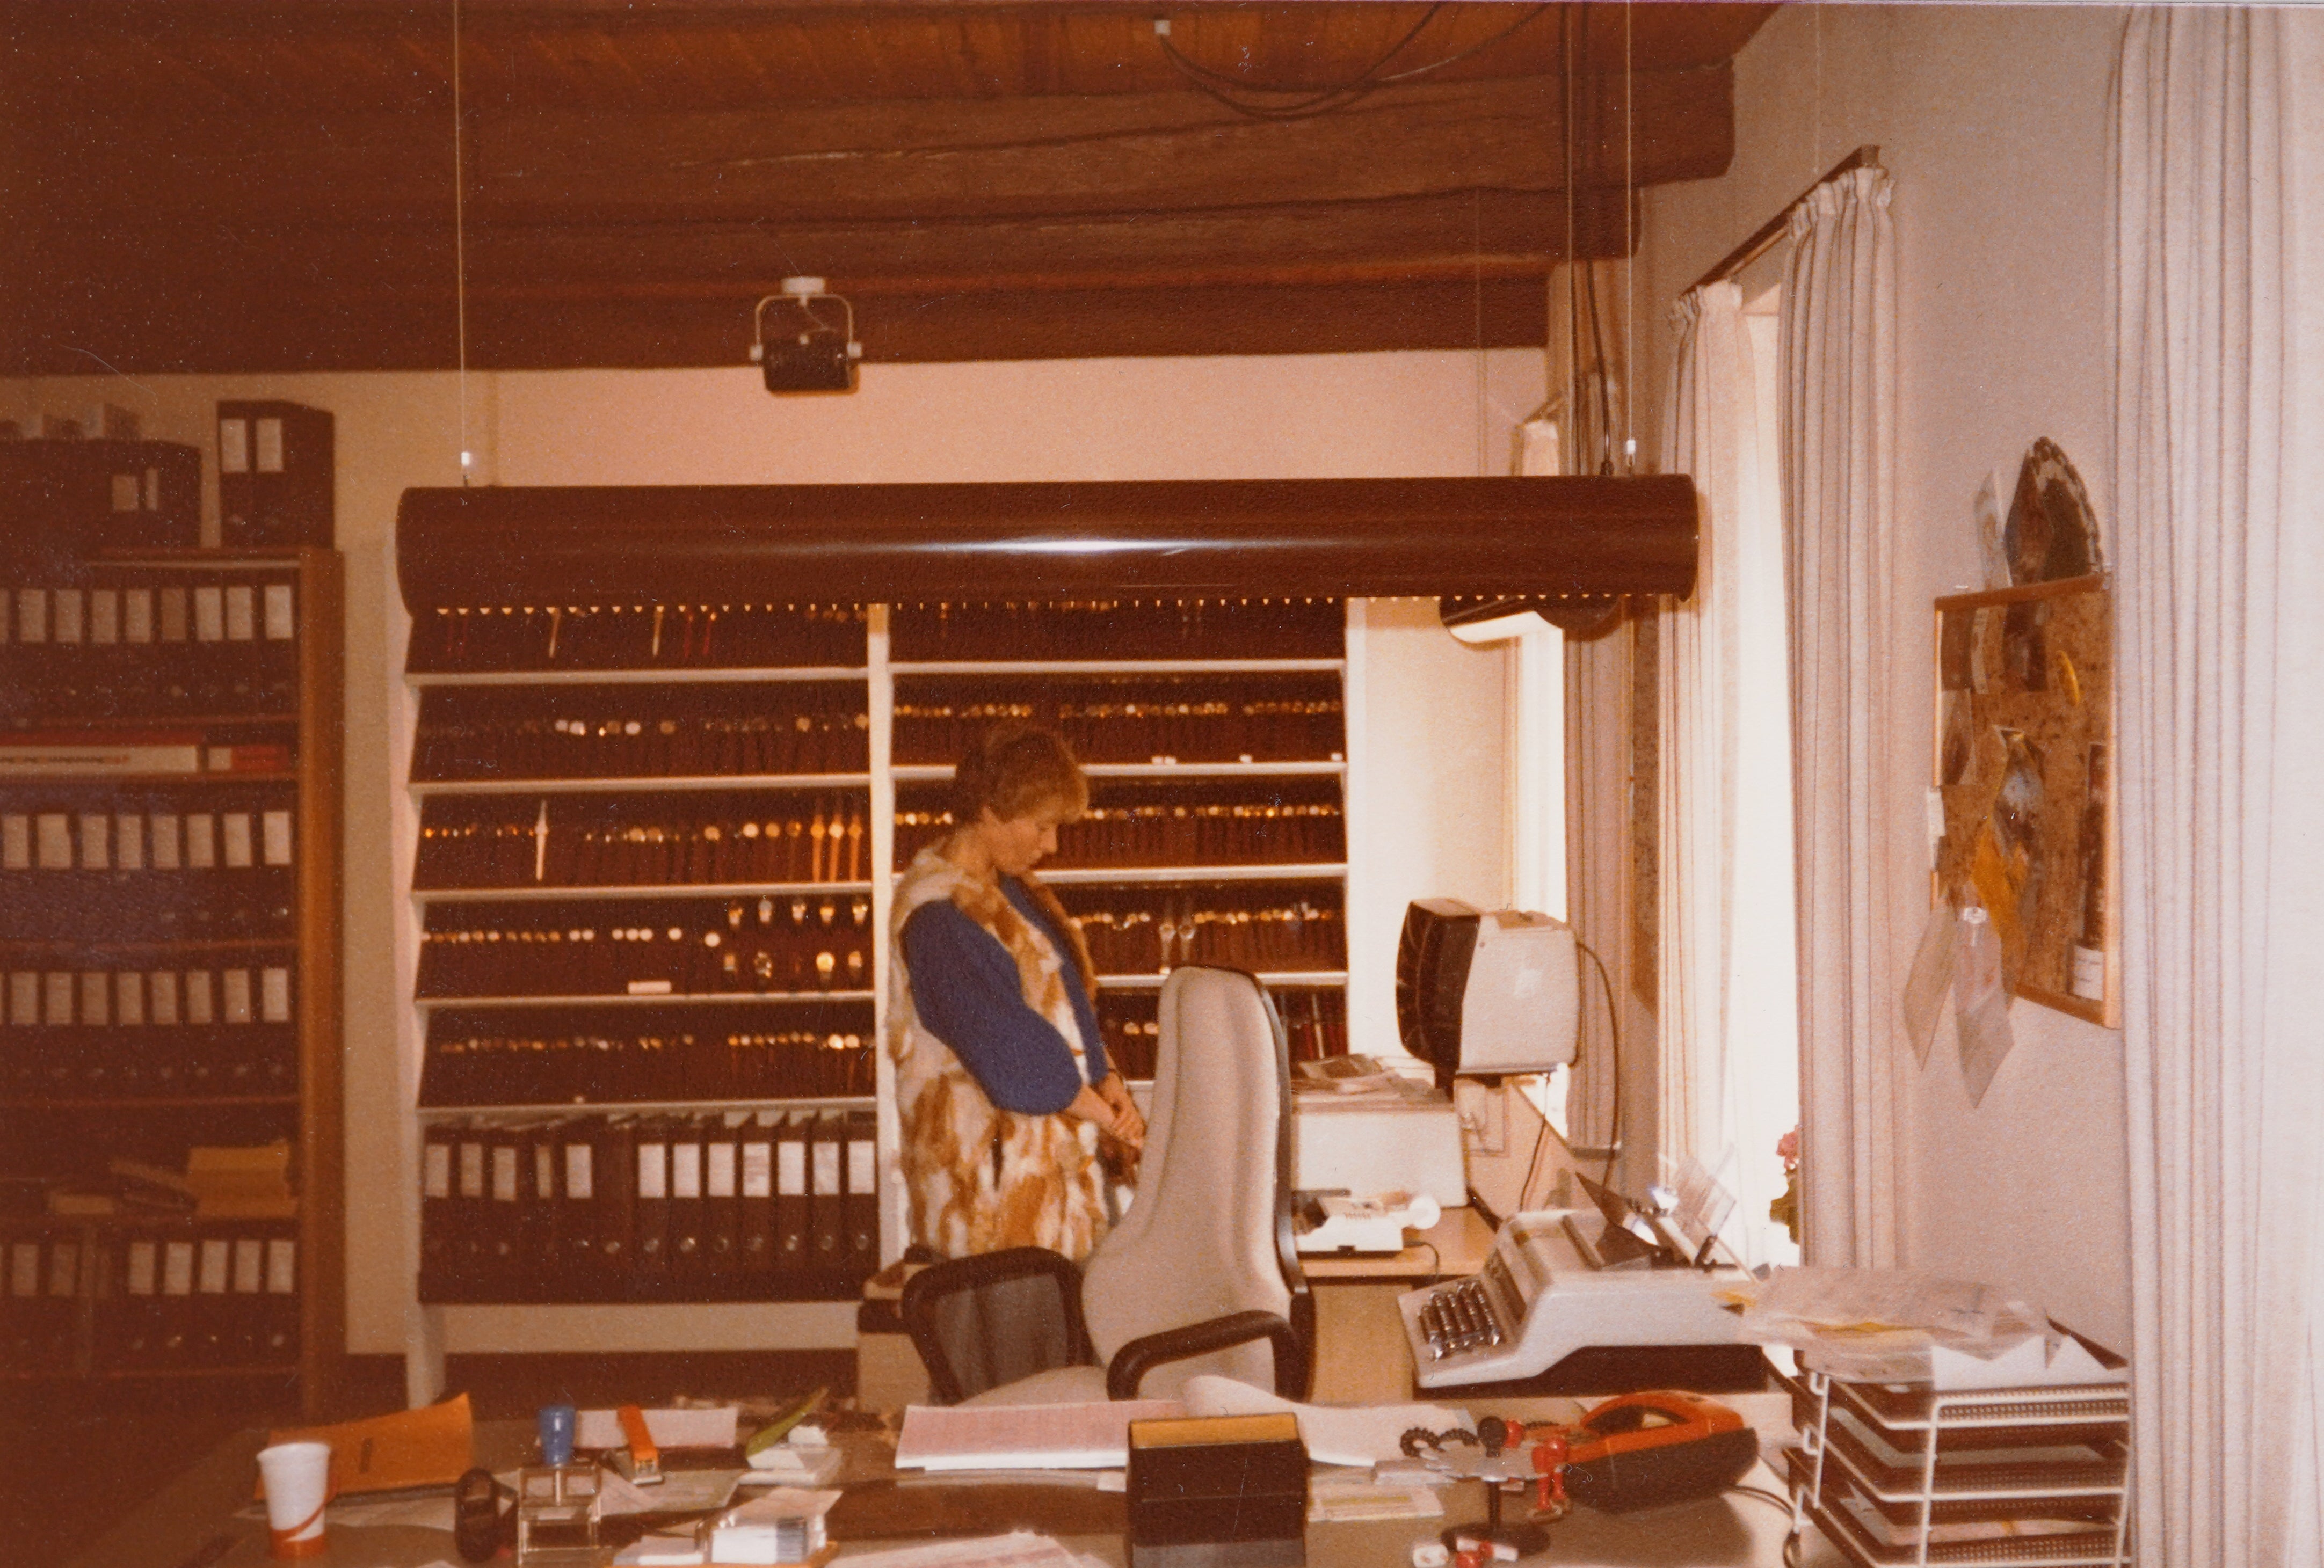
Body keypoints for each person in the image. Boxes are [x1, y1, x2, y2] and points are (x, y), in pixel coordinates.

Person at [888, 723, 1144, 1261]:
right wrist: (1113, 1121)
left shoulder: (1007, 891)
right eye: (1041, 826)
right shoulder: (939, 918)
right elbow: (1016, 1061)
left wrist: (1107, 1077)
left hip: (1050, 1183)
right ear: (988, 810)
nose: (1051, 845)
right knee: (1020, 1315)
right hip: (992, 1198)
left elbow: (1067, 996)